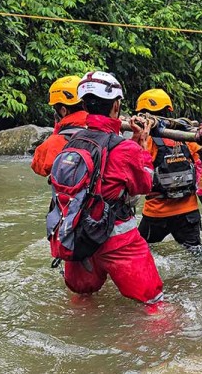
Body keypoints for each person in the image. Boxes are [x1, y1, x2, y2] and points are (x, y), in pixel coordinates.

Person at [62, 71, 164, 306]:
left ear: (85, 105)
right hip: (117, 238)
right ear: (116, 106)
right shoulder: (126, 148)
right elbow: (145, 184)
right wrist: (143, 145)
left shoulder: (72, 141)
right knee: (155, 304)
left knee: (82, 298)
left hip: (77, 235)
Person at [136, 89, 202, 253]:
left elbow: (139, 176)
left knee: (139, 251)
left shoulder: (145, 139)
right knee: (196, 255)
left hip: (156, 213)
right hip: (188, 212)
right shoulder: (186, 137)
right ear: (169, 111)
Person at [31, 76, 89, 177]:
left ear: (63, 110)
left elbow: (38, 167)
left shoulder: (56, 141)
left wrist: (57, 130)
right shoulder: (105, 128)